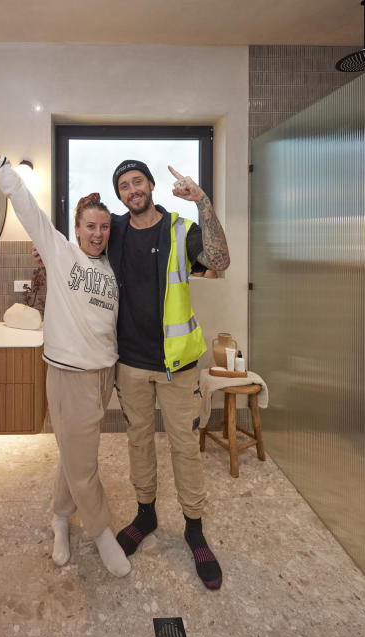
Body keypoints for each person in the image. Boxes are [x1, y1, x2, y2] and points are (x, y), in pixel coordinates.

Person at [0, 133, 130, 578]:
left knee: (75, 456)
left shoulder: (110, 269)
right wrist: (0, 164)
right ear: (76, 229)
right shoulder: (60, 253)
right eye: (90, 226)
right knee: (85, 462)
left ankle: (59, 518)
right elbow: (28, 210)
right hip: (69, 374)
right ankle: (100, 531)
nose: (97, 234)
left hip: (102, 375)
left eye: (103, 227)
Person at [108, 159, 230, 591]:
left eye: (137, 181)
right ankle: (146, 514)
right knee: (139, 440)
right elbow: (81, 256)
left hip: (177, 365)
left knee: (185, 447)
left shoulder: (180, 229)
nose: (132, 190)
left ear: (152, 185)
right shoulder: (115, 231)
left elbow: (220, 260)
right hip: (130, 363)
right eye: (124, 186)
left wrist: (204, 203)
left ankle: (194, 528)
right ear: (120, 195)